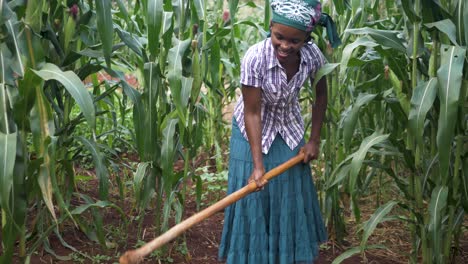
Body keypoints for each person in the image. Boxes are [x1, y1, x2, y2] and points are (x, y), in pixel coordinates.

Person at [218, 0, 341, 263]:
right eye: (279, 37)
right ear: (271, 27)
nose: (285, 45)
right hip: (251, 131)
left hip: (288, 126)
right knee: (254, 196)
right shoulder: (255, 57)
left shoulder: (312, 56)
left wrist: (313, 140)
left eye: (294, 41)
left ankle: (285, 257)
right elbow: (253, 113)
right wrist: (257, 165)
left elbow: (321, 95)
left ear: (307, 38)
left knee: (288, 192)